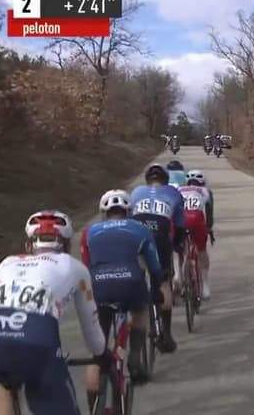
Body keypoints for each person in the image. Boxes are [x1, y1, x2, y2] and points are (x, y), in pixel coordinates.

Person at [0, 210, 109, 415]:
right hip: (35, 343)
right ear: (67, 245)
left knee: (1, 375)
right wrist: (101, 355)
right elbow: (92, 332)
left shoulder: (6, 263)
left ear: (28, 245)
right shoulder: (75, 267)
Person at [81, 190, 163, 392]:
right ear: (128, 211)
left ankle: (94, 397)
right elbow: (154, 266)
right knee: (140, 311)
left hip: (99, 284)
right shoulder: (139, 228)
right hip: (130, 281)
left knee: (98, 350)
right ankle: (135, 358)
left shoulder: (89, 231)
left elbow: (85, 268)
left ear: (103, 212)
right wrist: (157, 290)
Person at [129, 164, 185, 353]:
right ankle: (166, 334)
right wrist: (177, 244)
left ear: (147, 179)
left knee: (137, 273)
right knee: (163, 283)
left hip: (137, 232)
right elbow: (180, 225)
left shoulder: (136, 191)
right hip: (160, 235)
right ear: (166, 180)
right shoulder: (174, 193)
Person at [176, 170, 215, 299]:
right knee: (202, 250)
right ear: (202, 182)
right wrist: (208, 229)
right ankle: (205, 286)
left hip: (181, 220)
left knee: (178, 251)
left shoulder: (178, 189)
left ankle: (178, 275)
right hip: (196, 217)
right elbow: (209, 216)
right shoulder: (206, 191)